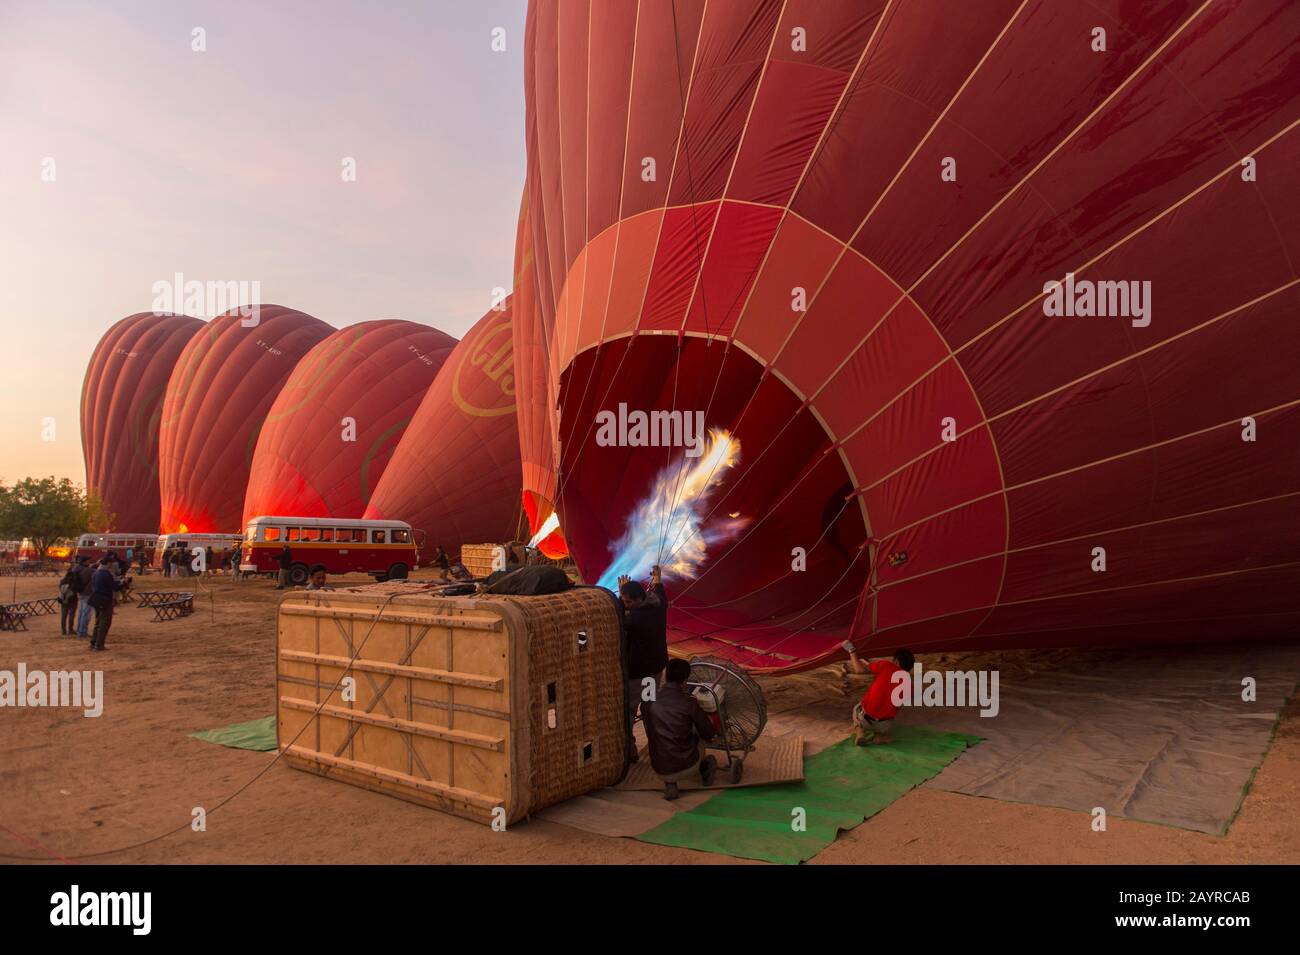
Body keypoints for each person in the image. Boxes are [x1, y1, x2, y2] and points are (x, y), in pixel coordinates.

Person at [641, 658, 718, 800]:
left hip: (659, 767)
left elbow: (648, 726)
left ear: (665, 675)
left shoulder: (648, 701)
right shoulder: (689, 703)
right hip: (687, 765)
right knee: (701, 733)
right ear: (685, 680)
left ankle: (670, 784)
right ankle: (704, 767)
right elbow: (708, 733)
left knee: (661, 733)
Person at [616, 564, 669, 762]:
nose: (625, 603)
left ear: (639, 600)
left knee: (628, 712)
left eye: (628, 601)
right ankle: (657, 747)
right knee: (649, 709)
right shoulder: (657, 605)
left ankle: (630, 751)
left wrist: (620, 603)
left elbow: (619, 620)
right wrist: (657, 579)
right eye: (623, 600)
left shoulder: (635, 620)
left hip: (638, 675)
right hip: (653, 672)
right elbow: (660, 594)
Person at [843, 641, 915, 745]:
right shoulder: (909, 685)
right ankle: (879, 736)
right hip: (884, 725)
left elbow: (859, 669)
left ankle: (860, 733)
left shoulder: (886, 665)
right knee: (887, 731)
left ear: (896, 661)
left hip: (865, 719)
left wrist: (851, 650)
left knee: (856, 709)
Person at [88, 558, 125, 651]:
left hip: (96, 598)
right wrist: (122, 583)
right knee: (104, 622)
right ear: (108, 563)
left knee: (98, 621)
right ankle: (99, 644)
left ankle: (93, 642)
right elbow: (114, 587)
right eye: (111, 563)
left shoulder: (96, 573)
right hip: (105, 599)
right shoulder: (106, 573)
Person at [73, 555, 95, 637]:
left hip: (80, 592)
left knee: (81, 613)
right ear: (85, 561)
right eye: (88, 561)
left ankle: (79, 630)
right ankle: (82, 631)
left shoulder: (76, 569)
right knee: (86, 614)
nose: (89, 562)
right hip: (88, 593)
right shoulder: (88, 570)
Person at [57, 561, 81, 635]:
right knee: (71, 614)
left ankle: (63, 630)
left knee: (64, 615)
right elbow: (77, 589)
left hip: (63, 598)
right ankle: (70, 629)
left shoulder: (62, 580)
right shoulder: (74, 580)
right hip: (72, 598)